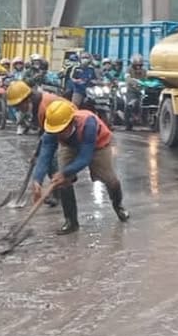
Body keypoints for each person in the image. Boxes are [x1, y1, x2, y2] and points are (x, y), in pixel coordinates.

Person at [31, 98, 129, 234]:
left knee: (111, 180)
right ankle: (71, 221)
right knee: (62, 182)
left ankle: (118, 206)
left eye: (61, 130)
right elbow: (45, 155)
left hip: (98, 146)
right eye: (56, 131)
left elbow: (85, 157)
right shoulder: (52, 130)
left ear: (71, 122)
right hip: (69, 147)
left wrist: (64, 172)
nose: (58, 134)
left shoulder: (88, 123)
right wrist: (37, 179)